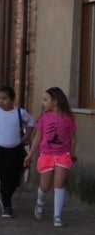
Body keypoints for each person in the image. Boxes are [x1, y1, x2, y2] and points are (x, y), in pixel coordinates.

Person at [25, 87, 77, 227]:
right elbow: (37, 137)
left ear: (55, 101)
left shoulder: (68, 118)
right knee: (44, 187)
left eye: (45, 100)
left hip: (63, 155)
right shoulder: (44, 117)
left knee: (59, 184)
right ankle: (40, 202)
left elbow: (72, 139)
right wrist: (30, 154)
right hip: (46, 154)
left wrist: (71, 153)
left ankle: (57, 216)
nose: (42, 102)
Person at [0, 86, 34, 218]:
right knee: (4, 177)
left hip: (15, 149)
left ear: (12, 100)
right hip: (0, 148)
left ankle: (6, 198)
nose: (1, 101)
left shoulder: (19, 112)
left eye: (4, 98)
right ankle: (7, 205)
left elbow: (31, 122)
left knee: (13, 179)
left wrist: (28, 135)